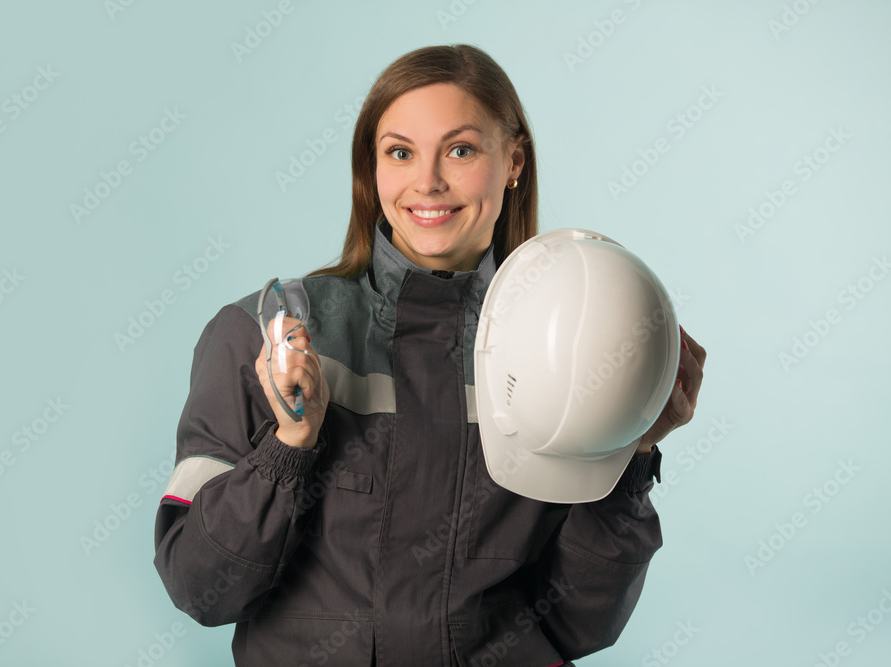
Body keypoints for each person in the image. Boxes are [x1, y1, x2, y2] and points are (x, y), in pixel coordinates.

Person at [153, 44, 707, 666]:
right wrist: (290, 447)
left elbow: (581, 623)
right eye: (400, 152)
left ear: (514, 160)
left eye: (461, 149)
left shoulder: (573, 337)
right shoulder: (267, 336)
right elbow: (199, 586)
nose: (428, 182)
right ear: (373, 170)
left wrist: (626, 450)